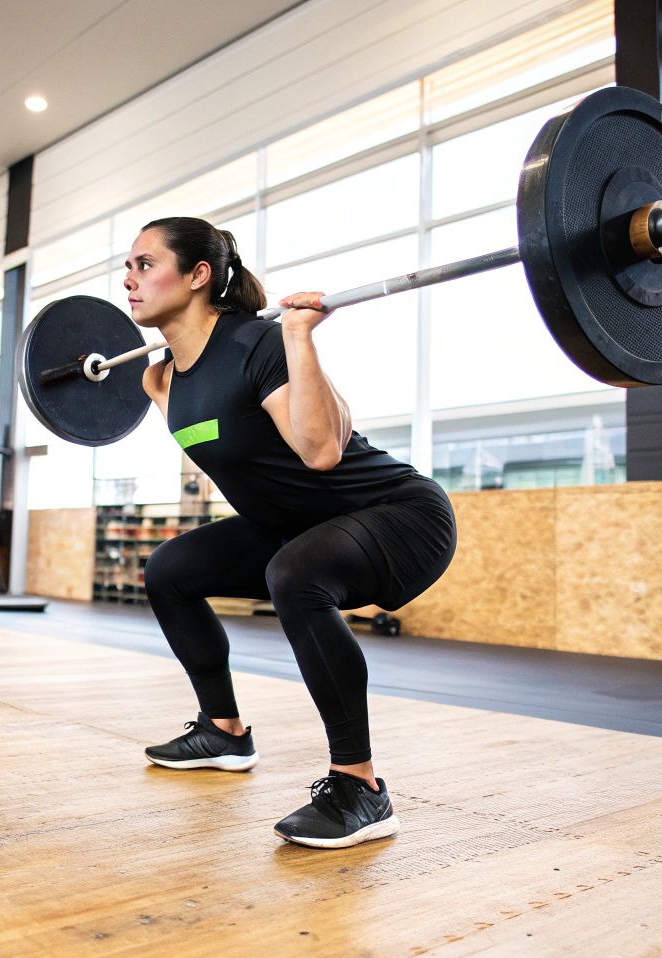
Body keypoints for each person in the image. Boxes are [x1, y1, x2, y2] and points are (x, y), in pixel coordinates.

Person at [129, 217, 458, 850]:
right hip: (298, 526)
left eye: (145, 264)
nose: (129, 279)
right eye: (129, 267)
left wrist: (299, 338)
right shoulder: (160, 379)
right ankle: (223, 732)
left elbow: (321, 451)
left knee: (295, 573)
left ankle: (360, 788)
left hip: (398, 515)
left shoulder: (258, 343)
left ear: (198, 276)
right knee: (170, 569)